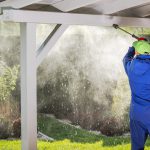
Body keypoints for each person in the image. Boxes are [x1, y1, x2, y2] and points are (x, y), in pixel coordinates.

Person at [123, 39, 150, 150]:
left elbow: (125, 59)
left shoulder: (131, 67)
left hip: (137, 114)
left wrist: (132, 48)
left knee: (137, 147)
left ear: (137, 53)